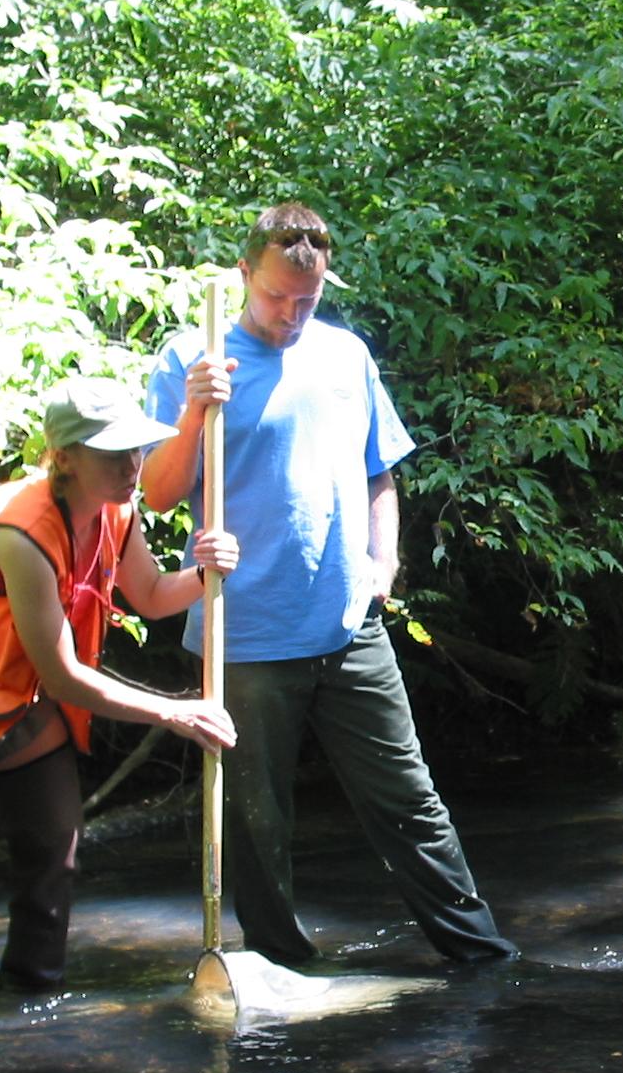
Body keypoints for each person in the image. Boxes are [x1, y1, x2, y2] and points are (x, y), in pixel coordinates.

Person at [141, 203, 517, 968]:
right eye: (276, 297)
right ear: (245, 274)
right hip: (241, 630)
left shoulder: (346, 356)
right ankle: (281, 969)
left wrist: (385, 563)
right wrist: (192, 412)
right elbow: (155, 492)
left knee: (409, 799)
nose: (289, 314)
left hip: (349, 623)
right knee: (256, 820)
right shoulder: (193, 356)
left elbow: (381, 468)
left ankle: (479, 954)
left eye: (305, 301)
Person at [0, 377, 238, 1059]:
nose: (132, 469)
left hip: (20, 699)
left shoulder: (116, 511)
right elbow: (63, 674)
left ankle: (31, 997)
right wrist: (175, 713)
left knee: (53, 850)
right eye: (112, 455)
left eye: (135, 451)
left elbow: (154, 595)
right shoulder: (20, 531)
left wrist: (207, 570)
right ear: (64, 457)